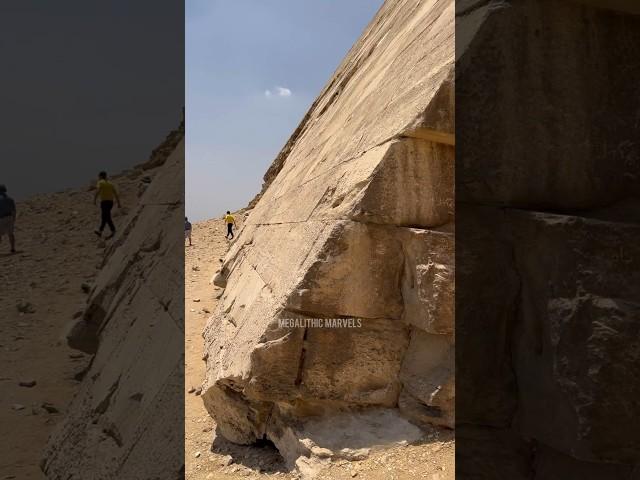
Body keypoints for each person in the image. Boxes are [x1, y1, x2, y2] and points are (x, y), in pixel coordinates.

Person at [93, 171, 121, 239]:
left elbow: (98, 190)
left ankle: (113, 230)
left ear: (101, 176)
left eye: (99, 176)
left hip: (104, 202)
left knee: (106, 216)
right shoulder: (110, 183)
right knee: (104, 216)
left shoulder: (100, 182)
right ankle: (100, 231)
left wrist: (94, 199)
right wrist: (119, 203)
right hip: (110, 202)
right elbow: (115, 193)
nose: (98, 178)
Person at [0, 184, 17, 254]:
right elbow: (14, 211)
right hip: (10, 217)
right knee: (10, 234)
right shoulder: (10, 199)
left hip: (1, 218)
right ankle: (12, 248)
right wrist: (14, 219)